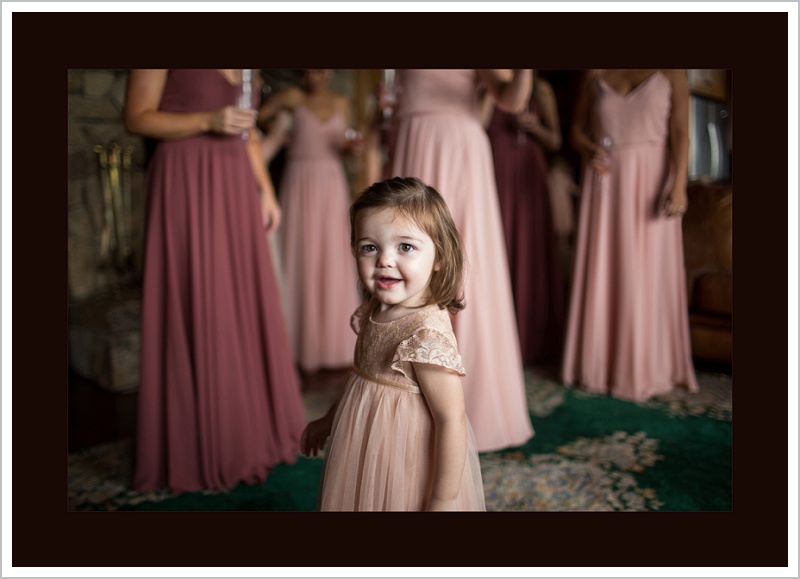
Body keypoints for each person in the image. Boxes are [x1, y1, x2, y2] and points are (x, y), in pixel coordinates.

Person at [124, 69, 306, 492]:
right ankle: (203, 443)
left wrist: (266, 189)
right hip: (186, 178)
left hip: (235, 180)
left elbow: (248, 128)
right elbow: (136, 117)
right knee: (202, 298)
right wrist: (206, 121)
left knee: (241, 299)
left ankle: (249, 428)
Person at [301, 177, 485, 511]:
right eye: (369, 247)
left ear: (440, 256)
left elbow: (451, 420)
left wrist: (443, 499)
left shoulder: (426, 333)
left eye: (405, 247)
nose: (384, 260)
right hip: (363, 446)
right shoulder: (375, 308)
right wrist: (329, 420)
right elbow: (360, 375)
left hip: (404, 460)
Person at [381, 69, 535, 453]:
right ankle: (402, 398)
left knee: (458, 261)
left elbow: (511, 98)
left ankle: (469, 406)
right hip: (412, 143)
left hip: (456, 145)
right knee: (407, 256)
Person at [562, 69, 700, 401]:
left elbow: (681, 132)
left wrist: (679, 184)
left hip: (653, 179)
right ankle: (599, 367)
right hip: (606, 184)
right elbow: (576, 131)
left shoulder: (672, 72)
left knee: (648, 274)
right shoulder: (594, 74)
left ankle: (652, 367)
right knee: (606, 270)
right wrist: (588, 148)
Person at [258, 69, 362, 375]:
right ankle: (297, 346)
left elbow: (345, 143)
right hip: (300, 181)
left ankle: (334, 343)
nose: (314, 75)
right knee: (301, 256)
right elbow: (260, 116)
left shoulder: (341, 102)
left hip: (331, 182)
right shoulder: (292, 97)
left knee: (331, 257)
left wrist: (349, 148)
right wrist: (280, 130)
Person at [484, 70, 566, 366]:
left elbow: (555, 140)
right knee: (498, 247)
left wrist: (535, 128)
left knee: (529, 249)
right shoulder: (487, 80)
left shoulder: (540, 89)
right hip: (494, 172)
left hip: (529, 177)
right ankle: (495, 339)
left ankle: (532, 339)